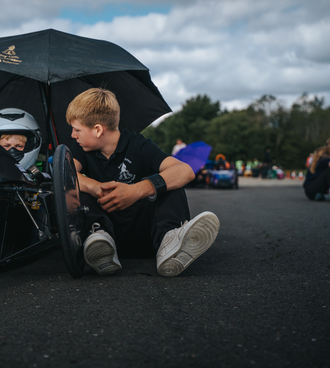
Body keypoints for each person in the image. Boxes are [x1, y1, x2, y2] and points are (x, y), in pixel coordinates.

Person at [66, 88, 220, 277]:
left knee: (169, 183)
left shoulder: (138, 144)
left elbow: (185, 171)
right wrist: (95, 187)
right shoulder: (81, 148)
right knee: (75, 185)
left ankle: (169, 241)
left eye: (77, 130)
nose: (73, 135)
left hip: (146, 235)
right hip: (106, 238)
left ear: (97, 129)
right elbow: (66, 174)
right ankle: (99, 240)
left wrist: (137, 190)